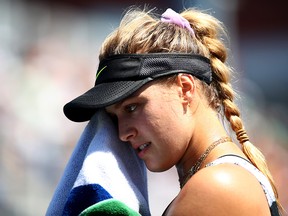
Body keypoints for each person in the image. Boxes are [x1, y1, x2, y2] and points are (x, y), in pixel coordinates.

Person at [63, 7, 283, 216]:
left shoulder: (217, 185)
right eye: (114, 117)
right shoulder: (216, 179)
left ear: (185, 88)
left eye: (132, 107)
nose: (122, 133)